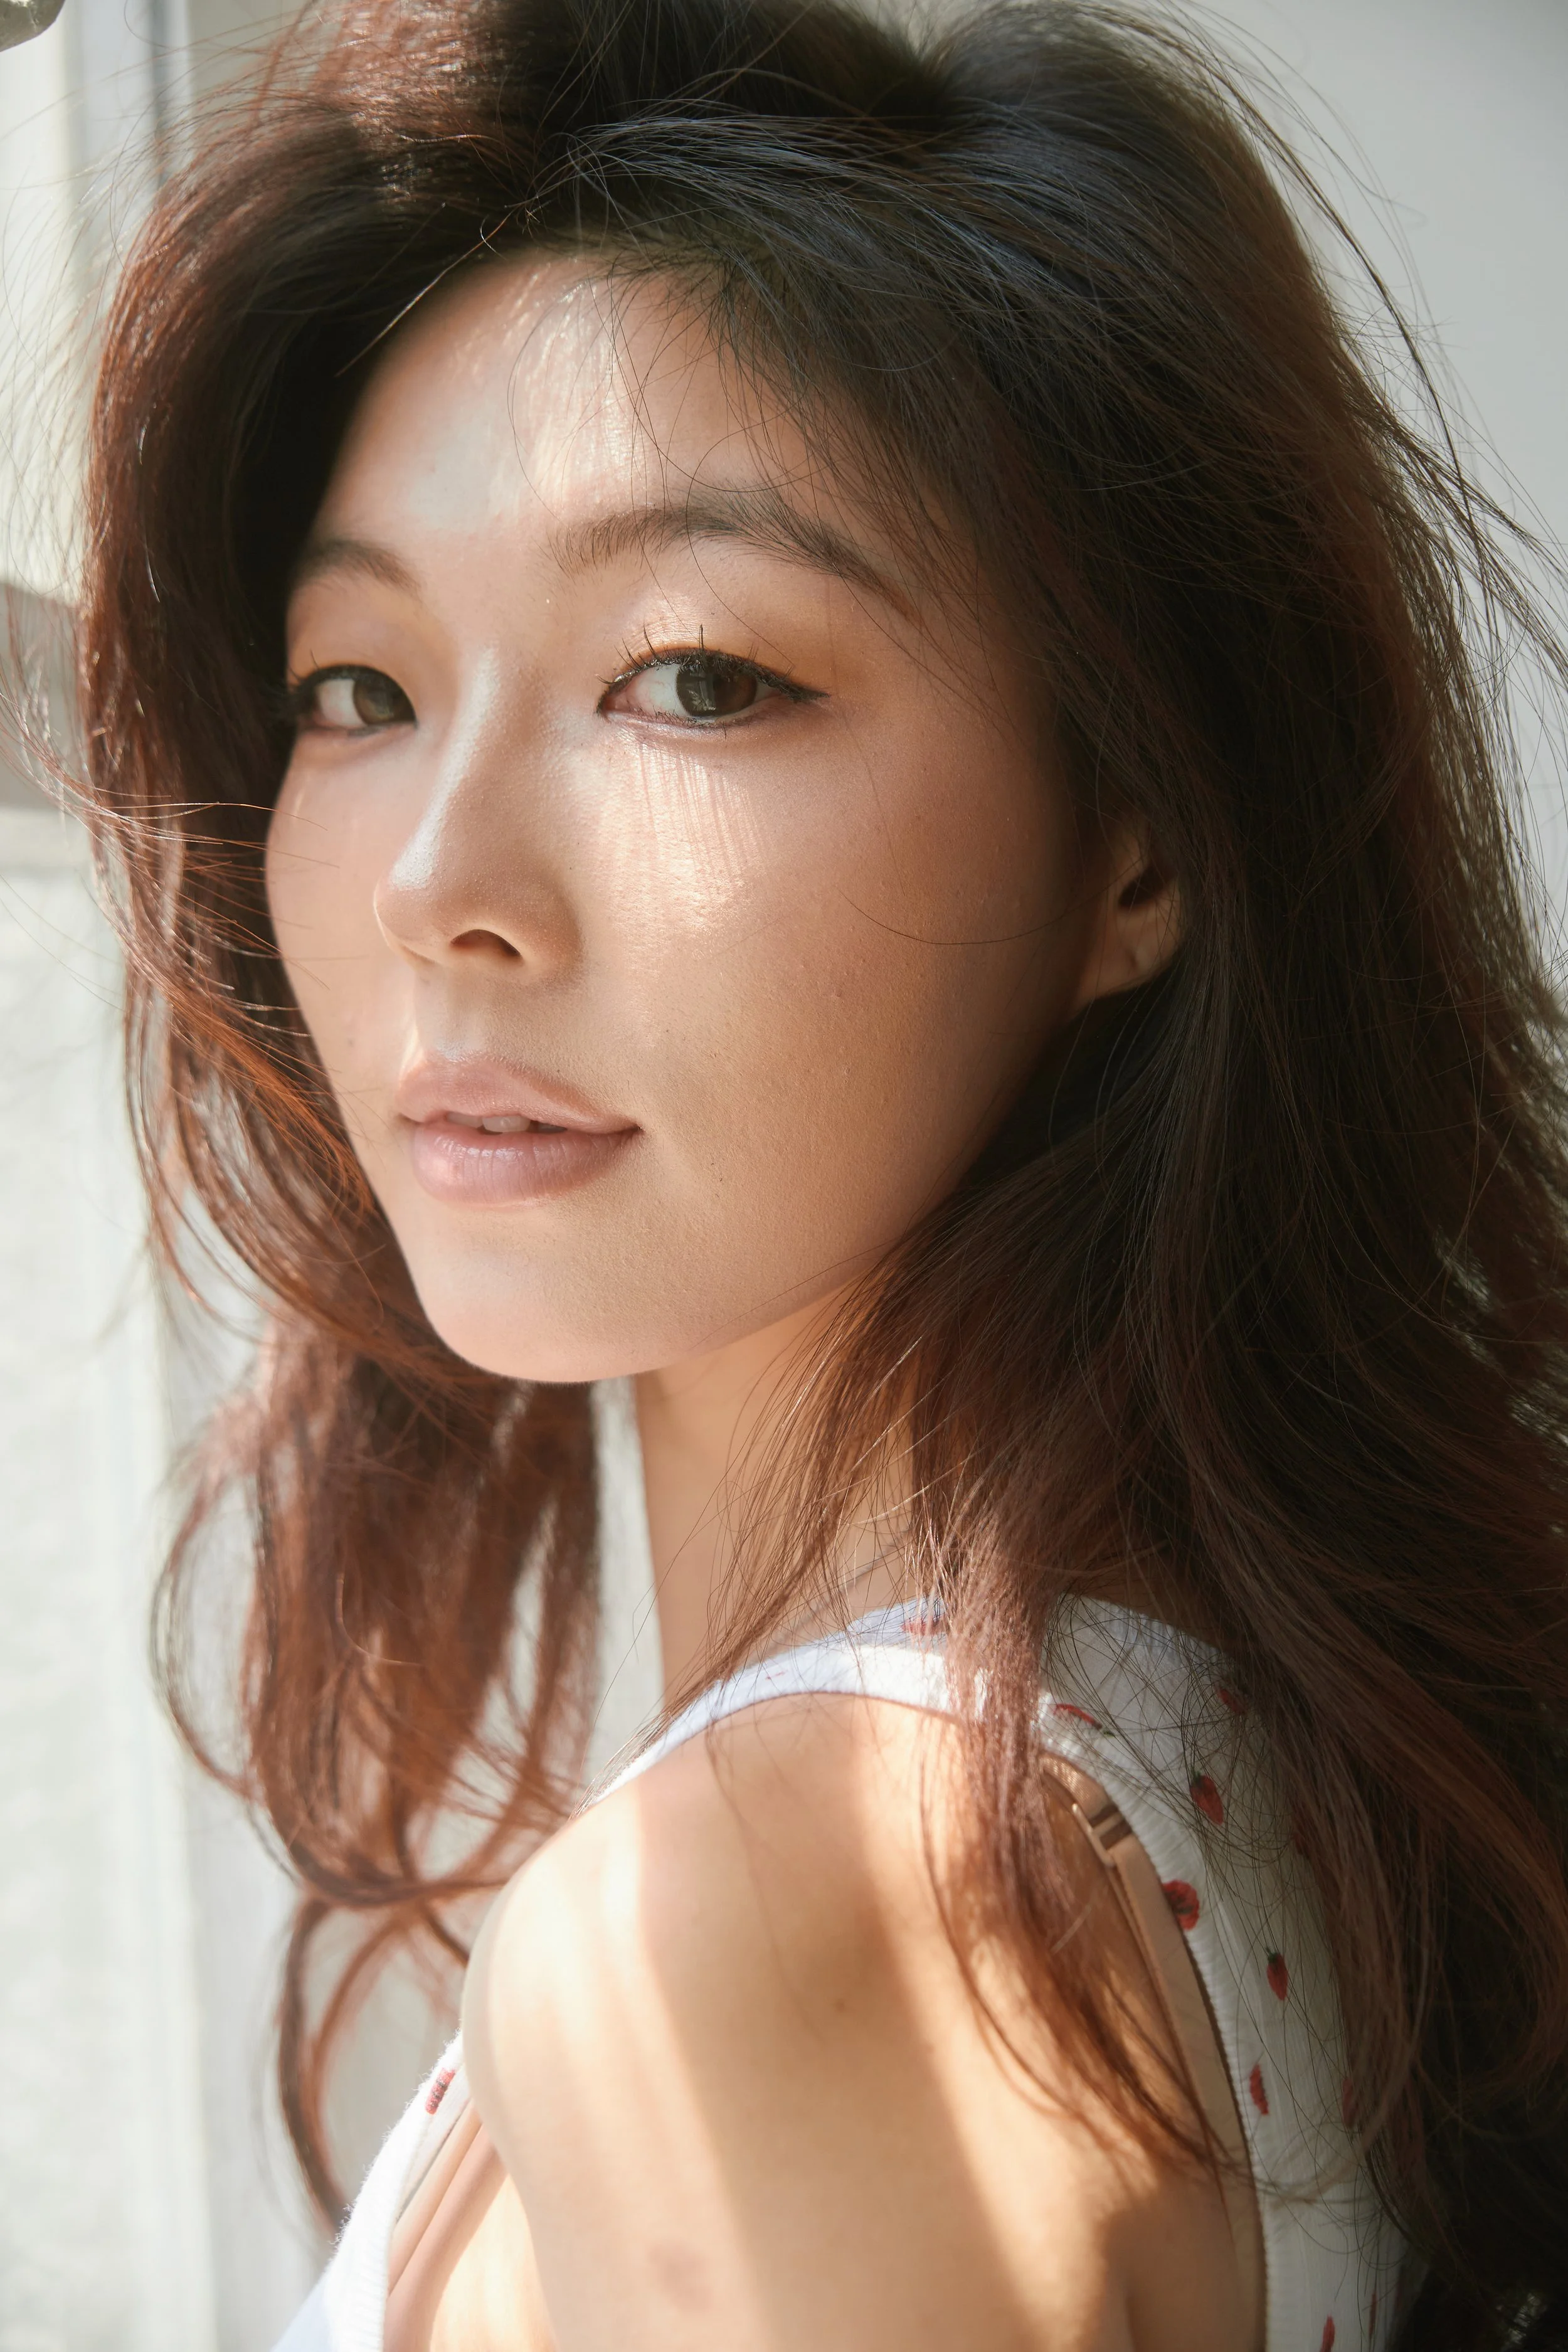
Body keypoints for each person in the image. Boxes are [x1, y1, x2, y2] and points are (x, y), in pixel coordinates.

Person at [78, 0, 1568, 2342]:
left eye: (692, 677)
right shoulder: (1204, 1759)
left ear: (1137, 836)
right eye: (356, 687)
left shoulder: (771, 1923)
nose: (439, 883)